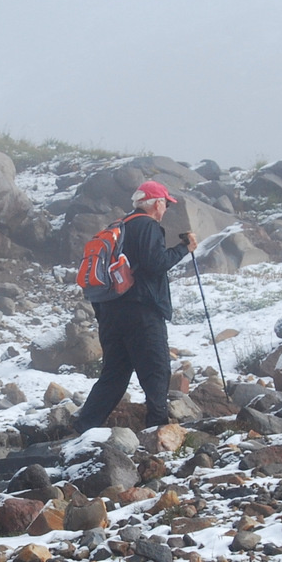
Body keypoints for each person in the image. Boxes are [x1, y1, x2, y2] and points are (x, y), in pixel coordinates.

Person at [74, 180, 199, 432]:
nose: (165, 210)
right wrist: (184, 248)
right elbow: (155, 263)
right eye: (165, 204)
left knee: (114, 375)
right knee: (156, 369)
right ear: (156, 203)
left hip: (109, 311)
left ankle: (84, 426)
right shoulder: (148, 226)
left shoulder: (118, 227)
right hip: (141, 311)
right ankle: (157, 427)